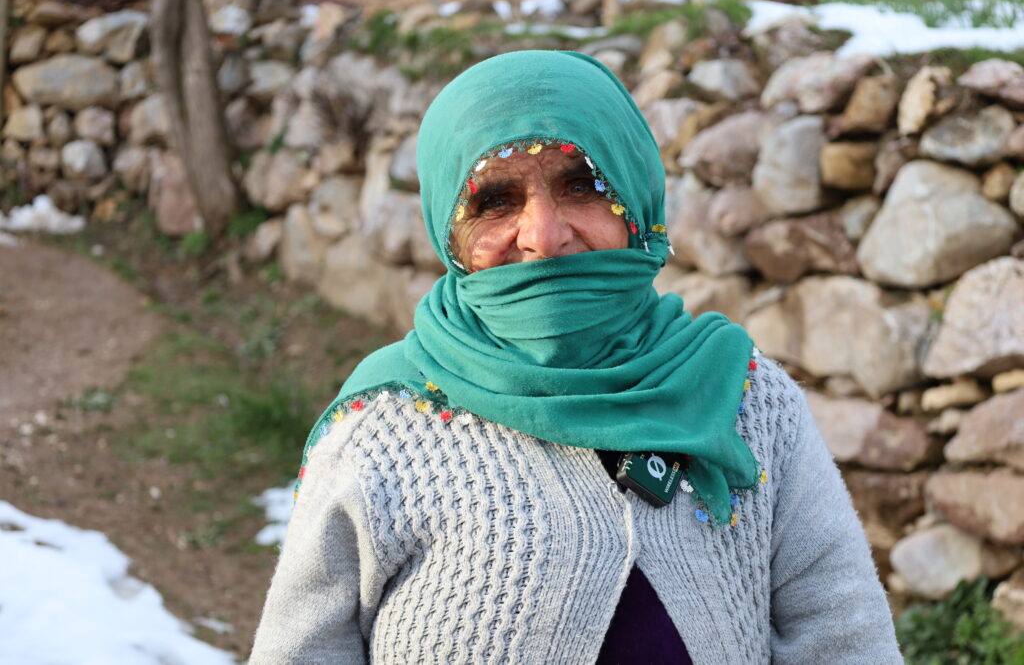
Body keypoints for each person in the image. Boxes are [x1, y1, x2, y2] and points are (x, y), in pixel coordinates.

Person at [250, 50, 901, 664]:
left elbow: (846, 641)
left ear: (638, 203)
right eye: (494, 200)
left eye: (584, 185)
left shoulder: (746, 400)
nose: (544, 236)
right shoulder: (384, 428)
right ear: (448, 230)